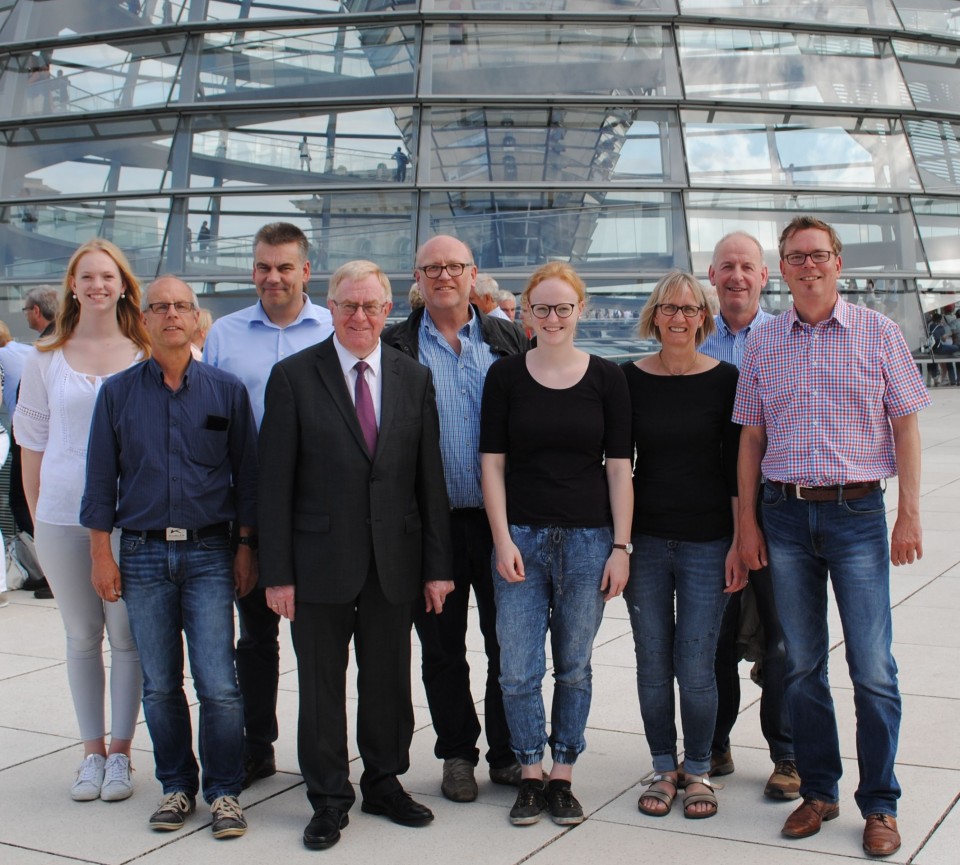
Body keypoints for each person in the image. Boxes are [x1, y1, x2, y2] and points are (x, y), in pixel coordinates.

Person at [734, 216, 929, 858]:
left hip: (857, 517)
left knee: (873, 668)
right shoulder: (763, 342)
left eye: (818, 255)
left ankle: (880, 803)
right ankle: (819, 790)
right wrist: (746, 527)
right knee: (800, 665)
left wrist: (908, 514)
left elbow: (905, 426)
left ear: (837, 263)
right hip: (783, 516)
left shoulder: (878, 332)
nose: (807, 266)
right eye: (795, 257)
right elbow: (752, 438)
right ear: (782, 269)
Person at [258, 260, 453, 851]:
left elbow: (430, 481)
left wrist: (438, 567)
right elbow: (273, 484)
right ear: (331, 306)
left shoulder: (411, 376)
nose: (360, 316)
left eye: (371, 306)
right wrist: (278, 574)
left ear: (388, 310)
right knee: (321, 684)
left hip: (394, 560)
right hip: (317, 564)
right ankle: (327, 797)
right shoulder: (292, 376)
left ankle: (384, 781)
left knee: (389, 679)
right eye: (349, 305)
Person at [81, 276, 257, 840]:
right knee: (159, 682)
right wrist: (100, 556)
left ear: (197, 318)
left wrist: (247, 547)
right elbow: (100, 480)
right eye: (161, 307)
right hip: (140, 553)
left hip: (210, 550)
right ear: (145, 319)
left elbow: (248, 477)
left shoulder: (226, 391)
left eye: (182, 306)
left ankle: (225, 792)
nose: (172, 315)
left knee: (219, 683)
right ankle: (176, 786)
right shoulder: (117, 393)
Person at [480, 261, 632, 826]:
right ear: (525, 312)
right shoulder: (507, 378)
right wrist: (500, 538)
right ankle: (528, 772)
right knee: (517, 669)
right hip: (520, 537)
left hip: (590, 540)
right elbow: (491, 464)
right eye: (541, 308)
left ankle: (563, 772)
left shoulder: (607, 378)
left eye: (563, 307)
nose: (552, 317)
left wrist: (622, 547)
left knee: (573, 666)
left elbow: (620, 469)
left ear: (580, 310)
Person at [383, 235, 528, 802]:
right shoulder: (396, 345)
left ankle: (507, 752)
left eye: (454, 267)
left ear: (473, 275)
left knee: (505, 642)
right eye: (432, 268)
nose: (444, 276)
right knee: (441, 646)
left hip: (500, 523)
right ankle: (457, 754)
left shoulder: (506, 337)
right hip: (429, 524)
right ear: (417, 279)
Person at [14, 239, 149, 802]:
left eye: (108, 275)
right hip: (62, 518)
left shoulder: (144, 351)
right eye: (87, 276)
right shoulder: (44, 356)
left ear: (123, 285)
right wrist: (41, 522)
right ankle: (90, 753)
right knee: (79, 636)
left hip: (129, 517)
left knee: (126, 637)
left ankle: (121, 754)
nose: (97, 284)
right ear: (73, 285)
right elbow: (32, 444)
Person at [204, 222, 333, 788]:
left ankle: (324, 755)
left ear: (307, 270)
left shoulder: (336, 326)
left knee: (321, 643)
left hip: (323, 513)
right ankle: (258, 745)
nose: (272, 277)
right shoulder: (226, 336)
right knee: (255, 639)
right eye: (262, 266)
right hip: (249, 510)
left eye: (284, 266)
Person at [623, 270, 745, 821]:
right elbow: (616, 466)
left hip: (707, 540)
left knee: (696, 665)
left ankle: (697, 769)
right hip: (645, 541)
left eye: (690, 309)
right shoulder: (627, 380)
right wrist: (618, 545)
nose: (679, 317)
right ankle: (662, 766)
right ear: (655, 316)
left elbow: (738, 470)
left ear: (704, 318)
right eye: (669, 308)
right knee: (652, 663)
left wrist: (741, 541)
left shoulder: (727, 380)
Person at [702, 232, 798, 801]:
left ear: (765, 277)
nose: (736, 276)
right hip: (709, 515)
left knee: (787, 640)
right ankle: (714, 744)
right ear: (711, 276)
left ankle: (786, 753)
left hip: (781, 512)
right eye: (726, 267)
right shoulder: (690, 336)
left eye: (747, 267)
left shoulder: (788, 337)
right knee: (711, 638)